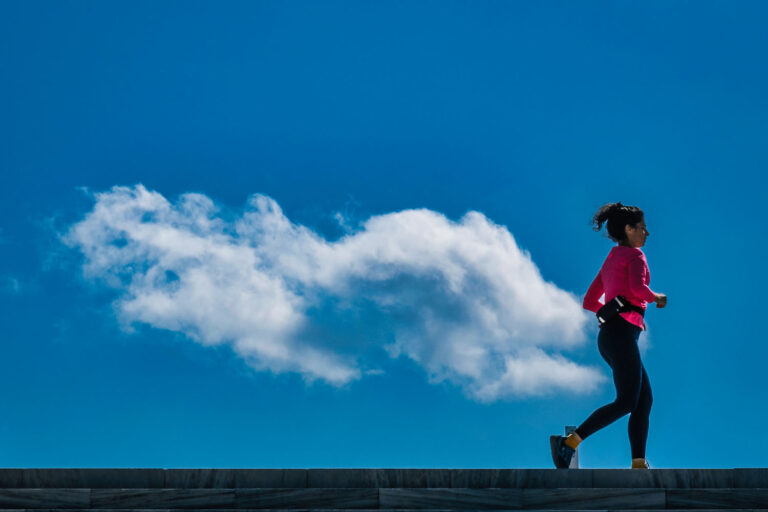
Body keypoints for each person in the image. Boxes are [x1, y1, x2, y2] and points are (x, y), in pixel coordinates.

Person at [550, 202, 667, 470]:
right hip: (622, 335)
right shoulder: (635, 256)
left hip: (611, 336)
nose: (646, 234)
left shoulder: (612, 258)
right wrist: (656, 297)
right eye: (642, 228)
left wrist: (621, 310)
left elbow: (590, 301)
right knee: (627, 400)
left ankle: (639, 462)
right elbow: (639, 288)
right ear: (628, 229)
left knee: (643, 399)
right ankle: (568, 443)